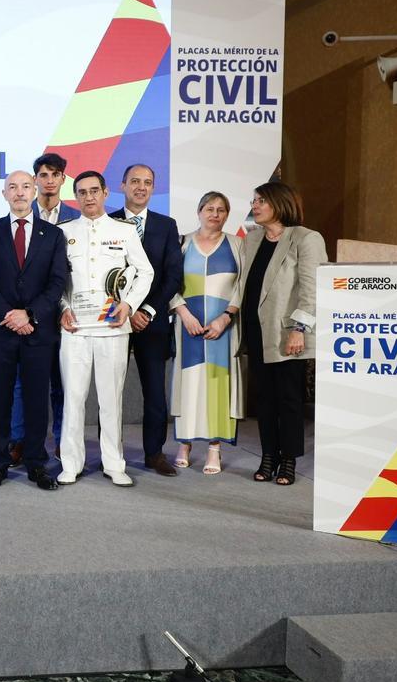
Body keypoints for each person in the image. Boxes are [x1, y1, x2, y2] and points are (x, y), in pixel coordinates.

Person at [58, 171, 154, 486]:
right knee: (73, 399)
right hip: (75, 331)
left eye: (94, 191)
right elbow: (56, 280)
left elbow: (145, 271)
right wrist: (62, 308)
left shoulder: (124, 231)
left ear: (105, 192)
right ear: (76, 196)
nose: (88, 197)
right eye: (82, 192)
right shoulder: (63, 232)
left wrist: (129, 305)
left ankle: (114, 464)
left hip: (113, 328)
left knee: (111, 400)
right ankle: (70, 463)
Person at [0, 170, 67, 491]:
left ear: (35, 191)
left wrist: (29, 314)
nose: (19, 193)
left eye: (25, 186)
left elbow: (57, 283)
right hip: (0, 331)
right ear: (4, 194)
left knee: (36, 400)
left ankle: (36, 464)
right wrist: (9, 314)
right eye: (12, 187)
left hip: (37, 331)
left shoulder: (53, 235)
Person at [238, 182, 326, 487]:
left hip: (289, 333)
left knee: (288, 399)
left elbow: (312, 289)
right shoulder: (251, 239)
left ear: (279, 202)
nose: (255, 205)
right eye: (254, 200)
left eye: (261, 200)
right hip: (255, 330)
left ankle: (288, 460)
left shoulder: (305, 238)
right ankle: (268, 457)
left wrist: (299, 328)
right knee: (264, 399)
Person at [110, 163, 183, 477]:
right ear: (123, 185)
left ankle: (154, 454)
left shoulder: (167, 226)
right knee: (110, 390)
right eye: (135, 181)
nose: (141, 187)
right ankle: (109, 453)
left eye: (148, 182)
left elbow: (172, 276)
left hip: (151, 322)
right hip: (112, 320)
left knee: (155, 392)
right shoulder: (105, 222)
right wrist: (123, 309)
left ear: (154, 188)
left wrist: (147, 310)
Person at [10, 152, 81, 462]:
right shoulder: (23, 215)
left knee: (61, 383)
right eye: (43, 175)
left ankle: (63, 441)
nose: (49, 180)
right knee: (21, 382)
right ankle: (19, 440)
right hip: (27, 315)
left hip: (66, 314)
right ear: (35, 180)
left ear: (63, 179)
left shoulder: (78, 219)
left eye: (55, 174)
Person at [169, 192, 244, 474]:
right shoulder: (182, 243)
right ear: (199, 211)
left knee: (218, 386)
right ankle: (184, 444)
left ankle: (215, 448)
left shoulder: (237, 245)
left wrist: (226, 318)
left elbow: (242, 286)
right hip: (188, 327)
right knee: (188, 386)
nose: (215, 214)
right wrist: (183, 312)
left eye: (221, 210)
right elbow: (169, 281)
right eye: (209, 208)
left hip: (221, 330)